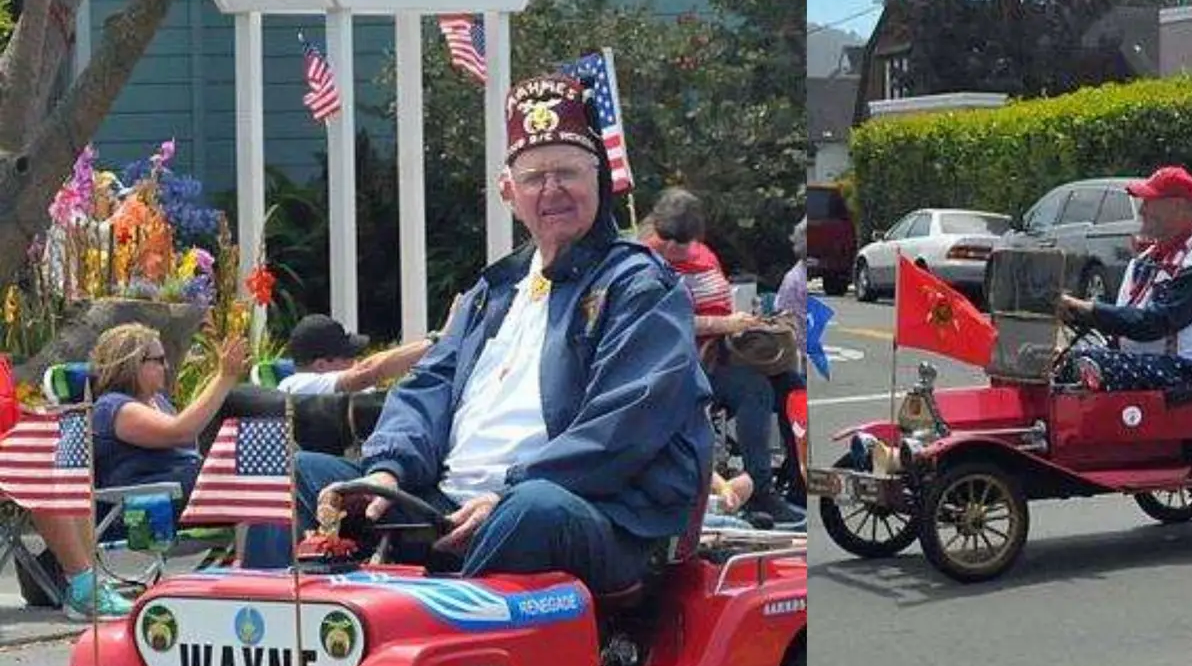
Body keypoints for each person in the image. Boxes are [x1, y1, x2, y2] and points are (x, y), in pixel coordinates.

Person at [247, 73, 714, 597]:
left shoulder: (640, 286)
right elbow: (427, 386)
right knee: (288, 476)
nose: (552, 189)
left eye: (568, 172)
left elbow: (626, 424)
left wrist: (506, 494)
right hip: (444, 506)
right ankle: (277, 643)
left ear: (599, 180)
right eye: (536, 176)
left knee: (535, 508)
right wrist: (387, 472)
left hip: (587, 512)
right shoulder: (492, 290)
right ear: (508, 191)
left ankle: (428, 631)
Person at [642, 187, 805, 525]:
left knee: (792, 385)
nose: (674, 246)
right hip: (680, 367)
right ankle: (759, 490)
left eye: (682, 239)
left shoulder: (703, 255)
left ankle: (798, 478)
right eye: (667, 237)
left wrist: (745, 324)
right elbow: (657, 324)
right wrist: (725, 323)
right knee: (754, 391)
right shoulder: (645, 262)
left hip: (721, 352)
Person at [1052, 165, 1192, 392]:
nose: (1142, 211)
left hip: (1183, 370)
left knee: (1087, 365)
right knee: (1056, 361)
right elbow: (1123, 322)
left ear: (1178, 207)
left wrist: (1087, 308)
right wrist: (1073, 314)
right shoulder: (1144, 260)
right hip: (1139, 360)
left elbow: (1155, 323)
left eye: (1150, 202)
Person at [90, 323, 250, 517]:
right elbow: (181, 432)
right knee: (248, 470)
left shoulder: (158, 402)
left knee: (282, 466)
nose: (165, 366)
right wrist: (224, 377)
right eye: (158, 360)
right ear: (131, 364)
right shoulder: (112, 407)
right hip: (142, 507)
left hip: (177, 489)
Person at [277, 313, 441, 396]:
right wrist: (437, 341)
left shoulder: (343, 390)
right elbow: (367, 372)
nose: (355, 362)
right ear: (321, 365)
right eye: (347, 357)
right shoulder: (295, 387)